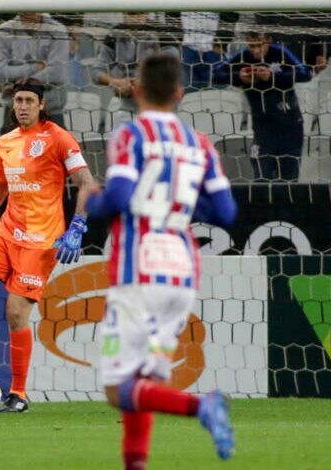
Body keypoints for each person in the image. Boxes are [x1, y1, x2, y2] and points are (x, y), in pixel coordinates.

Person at [84, 53, 237, 469]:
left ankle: (202, 407)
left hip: (140, 271)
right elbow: (226, 213)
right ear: (179, 94)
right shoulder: (199, 143)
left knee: (118, 389)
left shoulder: (132, 136)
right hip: (182, 273)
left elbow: (115, 199)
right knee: (150, 380)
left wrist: (90, 200)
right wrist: (181, 206)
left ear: (135, 90)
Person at [0, 79, 99, 412]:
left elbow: (87, 183)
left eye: (29, 100)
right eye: (18, 100)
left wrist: (78, 226)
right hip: (6, 233)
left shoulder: (58, 138)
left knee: (15, 312)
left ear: (41, 105)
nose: (22, 106)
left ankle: (19, 394)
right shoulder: (6, 142)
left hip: (41, 241)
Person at [214, 31, 311, 181]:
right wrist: (237, 77)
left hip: (290, 125)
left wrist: (272, 77)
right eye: (252, 46)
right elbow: (216, 75)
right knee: (262, 176)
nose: (255, 51)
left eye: (260, 45)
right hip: (262, 127)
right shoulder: (243, 57)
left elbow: (305, 74)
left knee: (288, 179)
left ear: (269, 40)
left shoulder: (280, 53)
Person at [0, 13, 69, 132]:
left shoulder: (57, 31)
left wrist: (22, 83)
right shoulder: (5, 31)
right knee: (10, 149)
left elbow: (57, 73)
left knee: (59, 149)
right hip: (15, 111)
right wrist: (36, 68)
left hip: (50, 109)